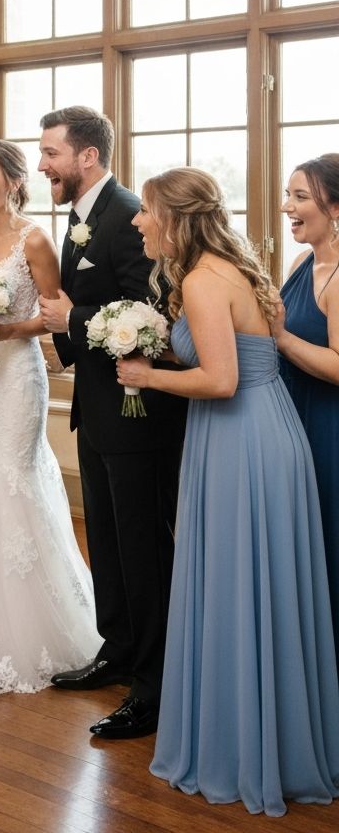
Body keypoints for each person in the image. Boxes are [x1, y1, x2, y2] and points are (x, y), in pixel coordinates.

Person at [117, 166, 339, 816]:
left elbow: (220, 380)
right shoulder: (217, 270)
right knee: (252, 591)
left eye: (146, 210)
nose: (137, 220)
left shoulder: (205, 279)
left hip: (243, 443)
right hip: (251, 437)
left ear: (176, 219)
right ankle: (264, 737)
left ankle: (250, 750)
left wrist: (146, 376)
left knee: (243, 589)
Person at [37, 105, 186, 739]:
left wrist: (68, 322)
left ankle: (153, 685)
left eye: (51, 154)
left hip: (138, 415)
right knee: (109, 541)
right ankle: (117, 650)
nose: (42, 164)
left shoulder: (128, 214)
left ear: (87, 157)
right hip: (98, 413)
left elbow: (144, 314)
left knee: (143, 549)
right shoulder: (81, 218)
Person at [0, 141, 100, 693]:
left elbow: (55, 317)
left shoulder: (34, 239)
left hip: (15, 374)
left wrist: (9, 329)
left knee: (13, 477)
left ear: (11, 180)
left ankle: (38, 630)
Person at [276, 154, 339, 656]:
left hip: (329, 431)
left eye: (300, 197)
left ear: (335, 207)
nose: (287, 207)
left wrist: (278, 338)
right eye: (287, 195)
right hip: (294, 422)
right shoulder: (301, 263)